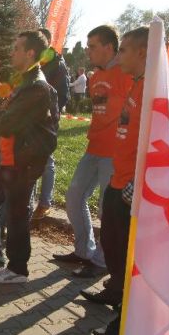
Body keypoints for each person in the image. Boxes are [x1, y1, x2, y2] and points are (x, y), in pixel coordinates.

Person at [83, 27, 149, 335]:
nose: (118, 56)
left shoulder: (160, 92)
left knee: (128, 252)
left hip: (134, 186)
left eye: (123, 50)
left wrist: (138, 181)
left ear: (143, 53)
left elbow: (165, 145)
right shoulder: (136, 85)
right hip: (117, 178)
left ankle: (127, 321)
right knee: (111, 242)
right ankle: (114, 289)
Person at [55, 25, 132, 278]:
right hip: (93, 148)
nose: (88, 51)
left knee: (106, 208)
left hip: (115, 152)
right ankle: (83, 250)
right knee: (74, 196)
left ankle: (102, 261)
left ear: (109, 48)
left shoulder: (126, 73)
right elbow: (100, 111)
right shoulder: (96, 76)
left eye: (92, 46)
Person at [0, 31, 59, 284]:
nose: (11, 52)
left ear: (30, 53)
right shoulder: (23, 81)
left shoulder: (36, 86)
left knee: (16, 216)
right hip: (7, 159)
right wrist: (1, 111)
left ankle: (18, 269)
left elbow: (4, 122)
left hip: (20, 163)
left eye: (16, 48)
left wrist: (0, 113)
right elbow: (0, 112)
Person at [33, 29, 71, 220]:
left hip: (47, 121)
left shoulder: (57, 63)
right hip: (30, 121)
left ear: (47, 42)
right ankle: (31, 201)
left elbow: (64, 94)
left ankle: (45, 203)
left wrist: (50, 113)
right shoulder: (34, 61)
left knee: (47, 160)